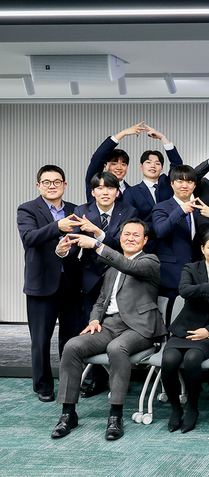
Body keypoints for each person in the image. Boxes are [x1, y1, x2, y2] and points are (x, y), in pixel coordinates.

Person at [51, 219, 166, 441]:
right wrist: (95, 319)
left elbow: (129, 266)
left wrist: (96, 244)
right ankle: (68, 413)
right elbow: (101, 300)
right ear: (120, 238)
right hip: (110, 325)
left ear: (145, 240)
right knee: (72, 346)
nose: (130, 238)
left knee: (117, 348)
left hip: (140, 327)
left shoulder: (150, 261)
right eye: (126, 234)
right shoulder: (112, 267)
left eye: (136, 235)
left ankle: (115, 416)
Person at [67, 172, 139, 398]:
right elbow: (74, 243)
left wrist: (98, 234)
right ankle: (96, 379)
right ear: (93, 192)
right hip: (90, 277)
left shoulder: (129, 211)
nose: (105, 192)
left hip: (120, 276)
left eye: (110, 188)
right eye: (100, 188)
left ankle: (119, 377)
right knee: (92, 327)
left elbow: (125, 245)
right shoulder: (81, 210)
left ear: (117, 192)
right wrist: (64, 251)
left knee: (119, 328)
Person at [17, 165, 82, 402]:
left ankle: (70, 383)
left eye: (57, 182)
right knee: (41, 340)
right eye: (47, 182)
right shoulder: (27, 209)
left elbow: (83, 239)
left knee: (71, 339)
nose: (52, 186)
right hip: (42, 284)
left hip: (71, 282)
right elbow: (29, 238)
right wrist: (57, 226)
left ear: (64, 185)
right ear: (39, 186)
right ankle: (43, 386)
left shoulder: (75, 209)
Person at [163, 229, 209, 433]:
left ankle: (192, 408)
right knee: (168, 359)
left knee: (192, 358)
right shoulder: (191, 268)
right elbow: (184, 291)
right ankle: (175, 409)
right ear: (203, 249)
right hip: (186, 328)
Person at [152, 165, 203, 323]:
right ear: (172, 184)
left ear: (194, 185)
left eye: (189, 182)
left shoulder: (200, 209)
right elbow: (160, 231)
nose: (184, 185)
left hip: (195, 276)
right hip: (171, 276)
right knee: (168, 320)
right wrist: (181, 210)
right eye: (180, 181)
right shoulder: (161, 207)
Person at [122, 125, 184, 223]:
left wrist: (162, 138)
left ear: (162, 168)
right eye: (148, 162)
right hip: (146, 232)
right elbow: (129, 220)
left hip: (171, 230)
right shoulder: (131, 192)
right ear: (141, 166)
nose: (153, 166)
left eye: (157, 163)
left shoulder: (168, 184)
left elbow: (177, 163)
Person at [84, 122, 144, 200]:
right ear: (105, 166)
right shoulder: (95, 183)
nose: (119, 167)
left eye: (123, 164)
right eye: (114, 163)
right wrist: (123, 133)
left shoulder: (133, 192)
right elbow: (98, 156)